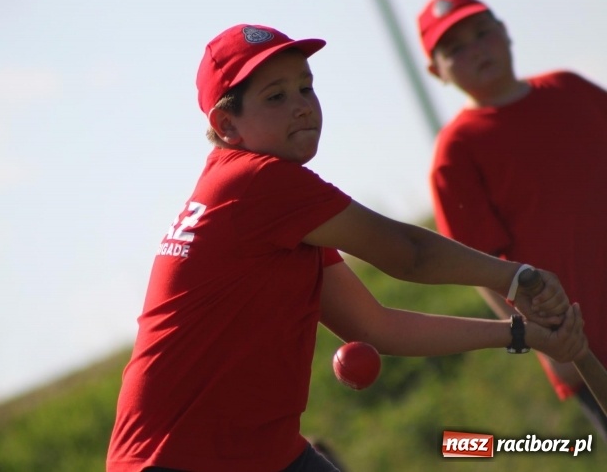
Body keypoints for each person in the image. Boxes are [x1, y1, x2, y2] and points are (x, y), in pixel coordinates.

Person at [106, 24, 588, 472]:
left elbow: (377, 326)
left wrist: (519, 334)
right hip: (178, 462)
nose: (302, 105)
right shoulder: (257, 182)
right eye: (276, 96)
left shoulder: (276, 205)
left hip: (261, 455)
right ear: (227, 125)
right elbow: (408, 252)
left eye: (306, 87)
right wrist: (515, 276)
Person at [417, 0, 607, 441]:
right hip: (586, 339)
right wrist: (545, 343)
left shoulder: (570, 88)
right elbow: (479, 265)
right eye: (455, 48)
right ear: (435, 71)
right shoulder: (457, 150)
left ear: (504, 31)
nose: (476, 50)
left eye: (483, 33)